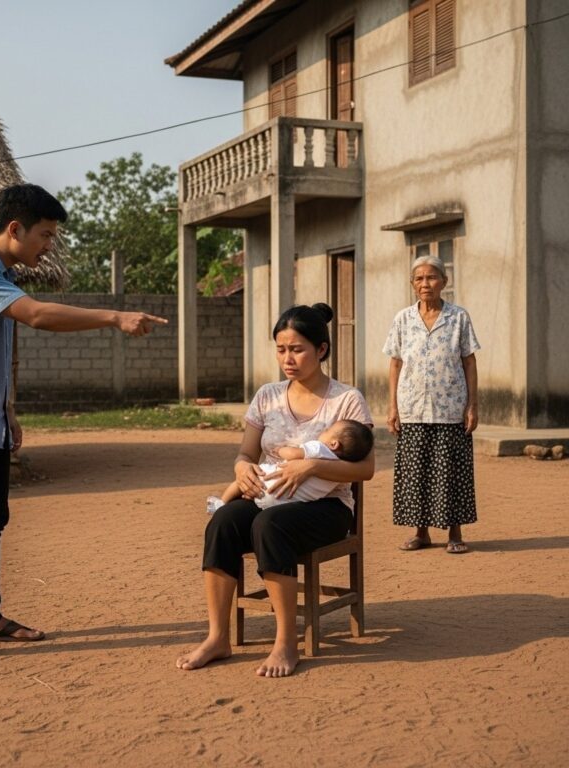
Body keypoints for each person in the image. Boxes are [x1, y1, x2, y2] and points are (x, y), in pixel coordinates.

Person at [0, 183, 167, 668]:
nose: (49, 246)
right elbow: (35, 315)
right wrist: (114, 316)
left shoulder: (2, 274)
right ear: (16, 229)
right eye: (46, 235)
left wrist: (7, 410)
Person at [176, 303, 374, 678]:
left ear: (321, 349)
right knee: (224, 521)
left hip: (326, 506)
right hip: (269, 496)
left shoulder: (347, 399)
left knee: (270, 526)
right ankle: (217, 637)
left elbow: (366, 469)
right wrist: (242, 468)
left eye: (297, 349)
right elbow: (246, 453)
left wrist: (311, 466)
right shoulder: (267, 395)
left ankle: (285, 642)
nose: (287, 359)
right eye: (281, 349)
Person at [383, 255, 480, 555]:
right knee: (416, 473)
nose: (425, 283)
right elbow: (395, 364)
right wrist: (392, 407)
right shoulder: (403, 319)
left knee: (451, 471)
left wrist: (472, 405)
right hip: (412, 407)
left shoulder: (459, 317)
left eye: (431, 277)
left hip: (450, 407)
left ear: (444, 282)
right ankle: (421, 533)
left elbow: (469, 361)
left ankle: (455, 532)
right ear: (413, 284)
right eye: (419, 278)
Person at [207, 419, 373, 513]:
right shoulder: (337, 473)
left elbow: (294, 454)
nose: (323, 431)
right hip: (285, 502)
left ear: (334, 444)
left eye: (327, 430)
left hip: (269, 484)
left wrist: (281, 450)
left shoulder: (319, 448)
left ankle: (221, 502)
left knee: (243, 482)